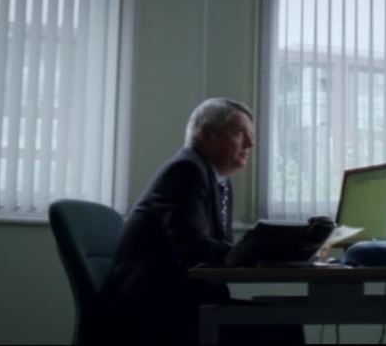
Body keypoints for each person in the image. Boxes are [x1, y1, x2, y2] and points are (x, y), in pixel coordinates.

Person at [99, 97, 304, 344]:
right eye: (240, 134)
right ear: (208, 134)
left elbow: (218, 252)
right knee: (283, 324)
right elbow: (195, 249)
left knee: (284, 319)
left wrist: (274, 252)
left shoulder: (218, 180)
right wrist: (262, 253)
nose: (250, 144)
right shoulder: (186, 170)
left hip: (183, 300)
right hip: (155, 309)